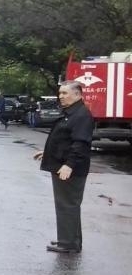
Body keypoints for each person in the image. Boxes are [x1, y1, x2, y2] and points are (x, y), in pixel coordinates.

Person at [33, 81, 93, 253]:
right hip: (62, 164)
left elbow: (80, 143)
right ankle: (70, 240)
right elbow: (64, 141)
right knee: (68, 204)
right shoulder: (71, 113)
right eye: (60, 93)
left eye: (65, 93)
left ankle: (67, 243)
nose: (61, 96)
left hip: (69, 169)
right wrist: (48, 153)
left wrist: (69, 165)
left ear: (77, 95)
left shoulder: (81, 115)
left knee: (67, 205)